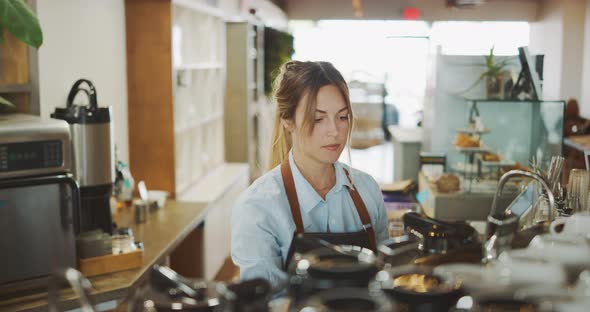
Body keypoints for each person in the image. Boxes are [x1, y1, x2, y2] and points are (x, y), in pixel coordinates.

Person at [230, 61, 389, 290]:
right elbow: (265, 302)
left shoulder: (367, 189)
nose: (334, 131)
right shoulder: (257, 207)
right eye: (318, 118)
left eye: (342, 117)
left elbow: (384, 274)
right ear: (288, 121)